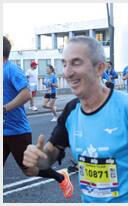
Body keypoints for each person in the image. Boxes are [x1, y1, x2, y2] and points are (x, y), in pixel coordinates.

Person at [23, 36, 128, 203]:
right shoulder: (71, 111)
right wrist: (37, 159)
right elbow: (49, 155)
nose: (67, 72)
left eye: (76, 63)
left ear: (100, 68)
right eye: (64, 63)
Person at [3, 36, 73, 199]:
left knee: (29, 169)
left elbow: (26, 94)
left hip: (16, 131)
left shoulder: (11, 69)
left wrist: (4, 109)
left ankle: (61, 177)